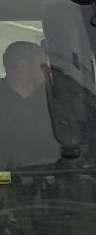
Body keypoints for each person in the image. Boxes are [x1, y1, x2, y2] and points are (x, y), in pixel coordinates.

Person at [0, 40, 61, 168]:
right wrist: (14, 180)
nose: (48, 70)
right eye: (43, 65)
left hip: (57, 176)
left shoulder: (53, 100)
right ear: (23, 66)